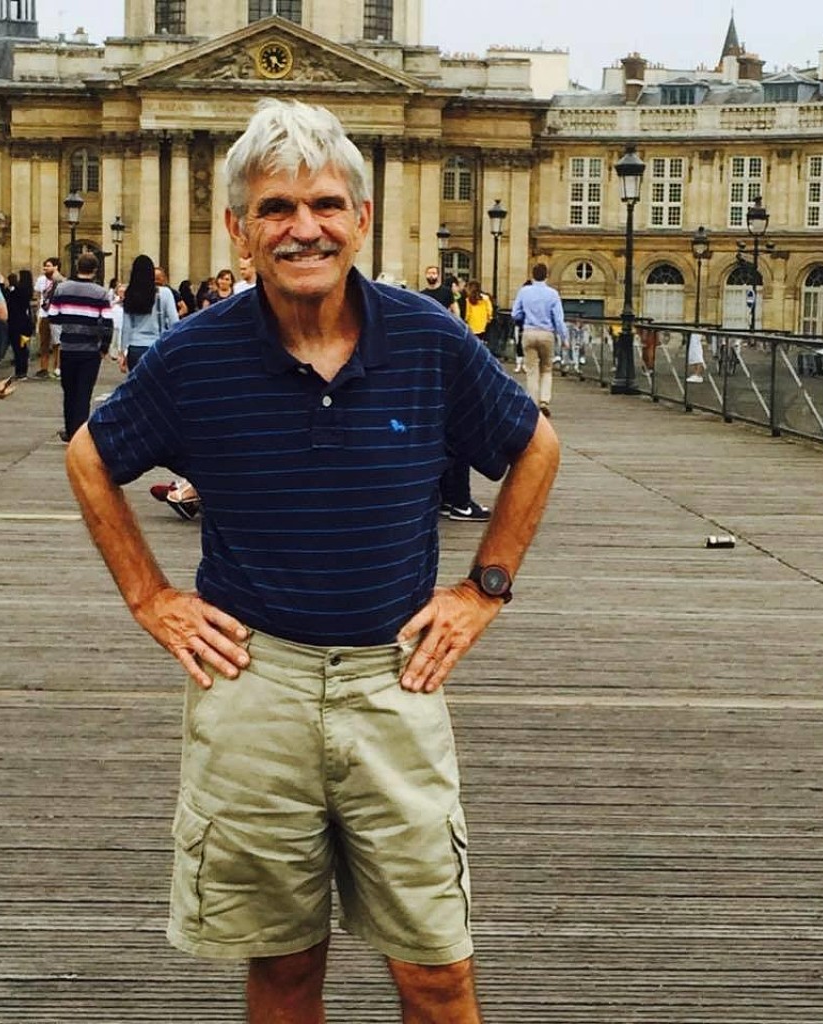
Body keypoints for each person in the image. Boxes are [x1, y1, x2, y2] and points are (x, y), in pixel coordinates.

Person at [64, 98, 559, 1023]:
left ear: (361, 219)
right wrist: (149, 596)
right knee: (283, 971)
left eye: (326, 204)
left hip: (393, 682)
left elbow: (536, 445)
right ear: (239, 229)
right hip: (255, 683)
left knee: (437, 972)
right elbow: (90, 456)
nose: (305, 228)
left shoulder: (428, 338)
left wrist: (483, 588)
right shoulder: (195, 355)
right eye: (277, 208)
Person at [416, 268, 490, 522]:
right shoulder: (449, 324)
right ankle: (459, 502)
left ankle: (446, 499)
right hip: (447, 380)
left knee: (442, 438)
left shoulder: (420, 307)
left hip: (428, 393)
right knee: (458, 438)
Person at [46, 252, 112, 442]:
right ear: (95, 270)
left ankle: (69, 429)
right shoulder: (100, 293)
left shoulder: (62, 289)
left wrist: (70, 319)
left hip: (68, 347)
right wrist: (104, 347)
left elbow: (53, 316)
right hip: (90, 350)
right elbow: (107, 323)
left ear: (77, 267)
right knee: (84, 392)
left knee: (69, 391)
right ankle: (78, 432)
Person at [511, 263, 567, 417]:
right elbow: (559, 319)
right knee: (546, 369)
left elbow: (515, 314)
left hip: (529, 332)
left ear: (532, 275)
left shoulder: (524, 292)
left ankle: (533, 403)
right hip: (546, 333)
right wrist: (564, 338)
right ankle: (544, 401)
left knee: (532, 370)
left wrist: (524, 317)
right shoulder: (553, 294)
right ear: (547, 275)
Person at [121, 254, 180, 373]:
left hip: (135, 347)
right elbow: (174, 322)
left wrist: (122, 352)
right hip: (157, 346)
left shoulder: (130, 294)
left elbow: (126, 327)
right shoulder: (165, 293)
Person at [34, 256, 63, 379]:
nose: (45, 268)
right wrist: (38, 313)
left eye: (48, 266)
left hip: (56, 315)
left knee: (57, 342)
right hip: (44, 313)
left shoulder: (61, 281)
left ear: (56, 267)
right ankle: (44, 368)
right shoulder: (41, 280)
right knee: (44, 342)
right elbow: (38, 296)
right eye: (45, 266)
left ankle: (57, 367)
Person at [6, 268, 34, 382]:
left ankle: (20, 371)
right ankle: (22, 371)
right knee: (22, 347)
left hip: (16, 323)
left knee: (18, 348)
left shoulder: (17, 291)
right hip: (25, 323)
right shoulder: (27, 291)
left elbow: (8, 299)